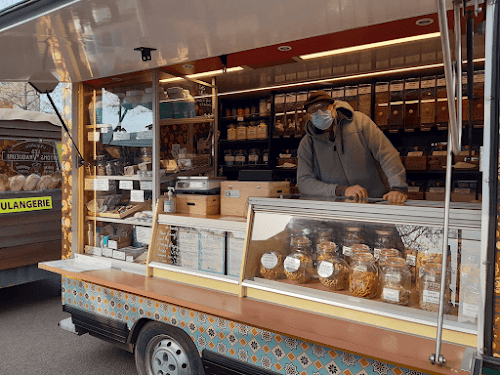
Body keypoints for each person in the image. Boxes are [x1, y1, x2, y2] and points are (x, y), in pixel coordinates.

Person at [297, 90, 408, 204]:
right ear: (308, 117)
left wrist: (398, 187)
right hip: (336, 207)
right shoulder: (307, 144)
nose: (319, 113)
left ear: (333, 107)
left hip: (373, 202)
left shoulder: (360, 122)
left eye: (324, 107)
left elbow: (386, 153)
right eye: (313, 111)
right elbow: (304, 182)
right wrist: (339, 190)